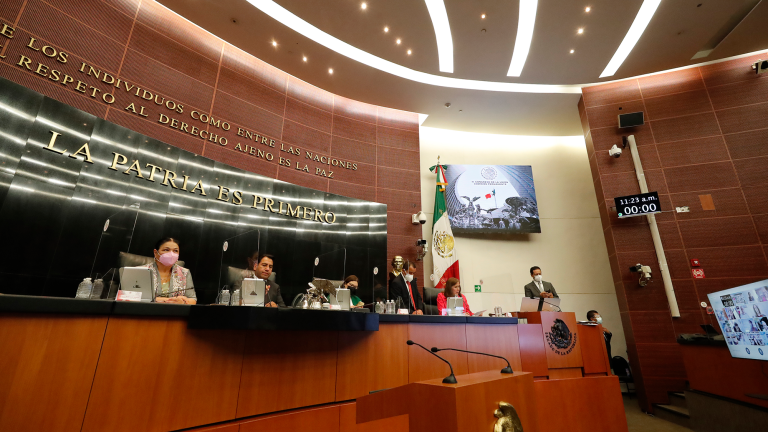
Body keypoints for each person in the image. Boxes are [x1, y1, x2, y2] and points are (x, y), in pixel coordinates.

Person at [144, 237, 196, 304]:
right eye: (166, 250)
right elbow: (130, 296)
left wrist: (182, 303)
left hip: (174, 312)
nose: (171, 254)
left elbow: (193, 299)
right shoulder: (140, 271)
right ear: (155, 253)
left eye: (175, 251)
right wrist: (166, 300)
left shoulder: (184, 273)